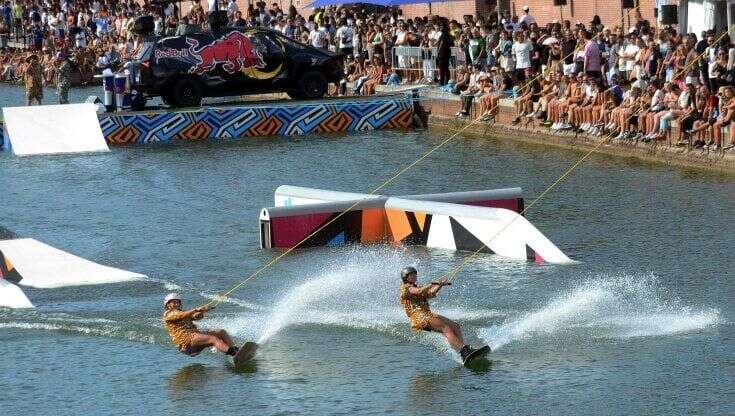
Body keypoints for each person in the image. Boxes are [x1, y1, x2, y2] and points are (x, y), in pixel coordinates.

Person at [398, 267, 483, 362]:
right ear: (406, 278)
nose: (414, 276)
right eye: (411, 275)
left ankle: (464, 352)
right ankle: (464, 350)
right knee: (446, 329)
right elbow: (419, 291)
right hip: (420, 317)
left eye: (415, 274)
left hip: (427, 314)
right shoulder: (405, 288)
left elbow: (430, 293)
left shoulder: (417, 286)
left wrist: (440, 285)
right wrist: (432, 283)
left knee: (455, 326)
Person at [162, 293, 240, 357]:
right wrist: (196, 309)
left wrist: (203, 311)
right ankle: (234, 354)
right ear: (168, 304)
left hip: (194, 339)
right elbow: (181, 316)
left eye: (177, 302)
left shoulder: (183, 312)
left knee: (221, 332)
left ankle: (235, 350)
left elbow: (195, 317)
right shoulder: (168, 315)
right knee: (213, 339)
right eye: (174, 302)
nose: (176, 304)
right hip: (186, 345)